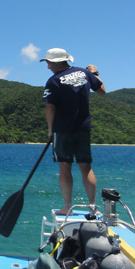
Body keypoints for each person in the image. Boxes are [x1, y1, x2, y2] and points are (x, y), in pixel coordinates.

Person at [40, 48, 106, 216]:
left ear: (56, 62)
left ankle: (67, 206)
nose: (47, 67)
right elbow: (102, 91)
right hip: (83, 128)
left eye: (48, 63)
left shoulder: (53, 81)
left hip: (62, 130)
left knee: (64, 167)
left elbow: (49, 107)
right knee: (86, 167)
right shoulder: (85, 74)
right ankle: (93, 206)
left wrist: (50, 130)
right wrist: (94, 73)